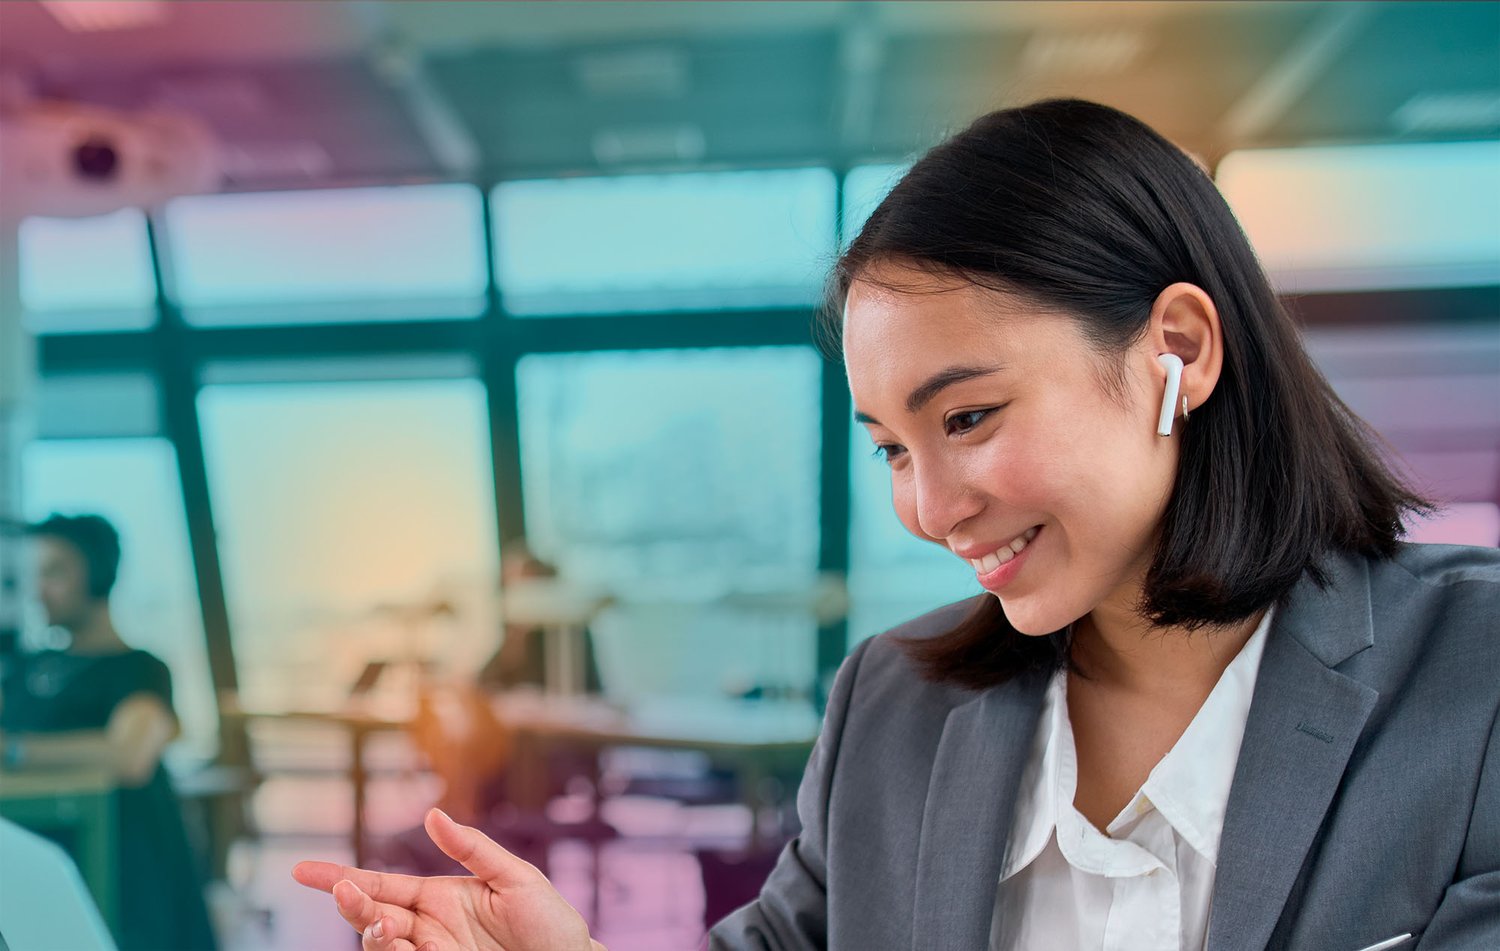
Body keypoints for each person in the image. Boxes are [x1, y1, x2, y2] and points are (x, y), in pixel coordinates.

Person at [290, 99, 1500, 950]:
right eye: (889, 449)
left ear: (1175, 349)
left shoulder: (1475, 677)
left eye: (967, 416)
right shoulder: (895, 708)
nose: (928, 507)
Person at [0, 514, 219, 951]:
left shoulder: (138, 668)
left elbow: (129, 757)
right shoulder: (28, 666)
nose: (39, 589)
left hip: (119, 865)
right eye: (35, 576)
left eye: (55, 572)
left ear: (97, 575)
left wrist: (15, 749)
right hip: (33, 861)